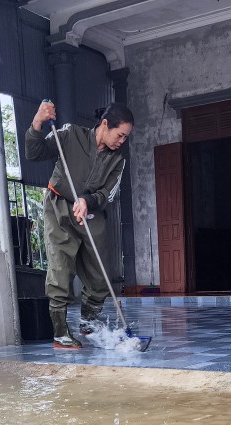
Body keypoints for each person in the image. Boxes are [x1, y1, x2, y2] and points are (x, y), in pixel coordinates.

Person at [25, 100, 134, 349]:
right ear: (105, 125)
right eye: (120, 135)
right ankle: (60, 332)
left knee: (99, 274)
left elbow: (109, 194)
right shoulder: (70, 134)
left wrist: (87, 200)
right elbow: (35, 153)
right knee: (61, 268)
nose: (121, 141)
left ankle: (88, 323)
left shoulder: (118, 160)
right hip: (60, 208)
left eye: (125, 138)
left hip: (91, 212)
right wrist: (38, 123)